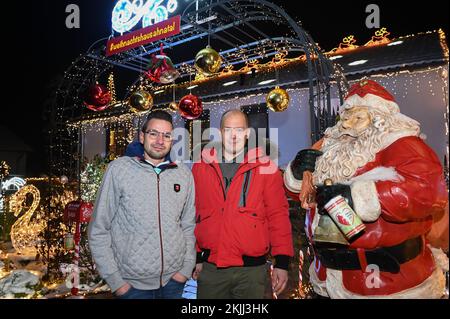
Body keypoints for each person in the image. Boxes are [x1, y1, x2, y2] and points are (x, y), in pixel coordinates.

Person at [284, 79, 449, 298]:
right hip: (327, 278)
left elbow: (426, 192)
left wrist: (357, 197)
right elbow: (301, 196)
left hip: (387, 283)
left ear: (379, 119)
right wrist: (297, 171)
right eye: (346, 115)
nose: (348, 123)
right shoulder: (329, 146)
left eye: (358, 116)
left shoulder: (403, 144)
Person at [88, 110, 196, 299]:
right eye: (153, 133)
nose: (160, 141)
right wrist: (117, 282)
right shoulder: (119, 170)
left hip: (174, 281)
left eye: (167, 135)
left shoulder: (183, 174)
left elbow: (189, 225)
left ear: (172, 140)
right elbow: (99, 229)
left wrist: (186, 269)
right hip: (132, 286)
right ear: (142, 136)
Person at [192, 109, 294, 299]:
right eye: (228, 129)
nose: (233, 135)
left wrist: (281, 263)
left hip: (251, 272)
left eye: (239, 130)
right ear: (220, 132)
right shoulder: (201, 166)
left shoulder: (265, 167)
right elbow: (195, 212)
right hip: (212, 268)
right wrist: (197, 257)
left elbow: (277, 215)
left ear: (247, 133)